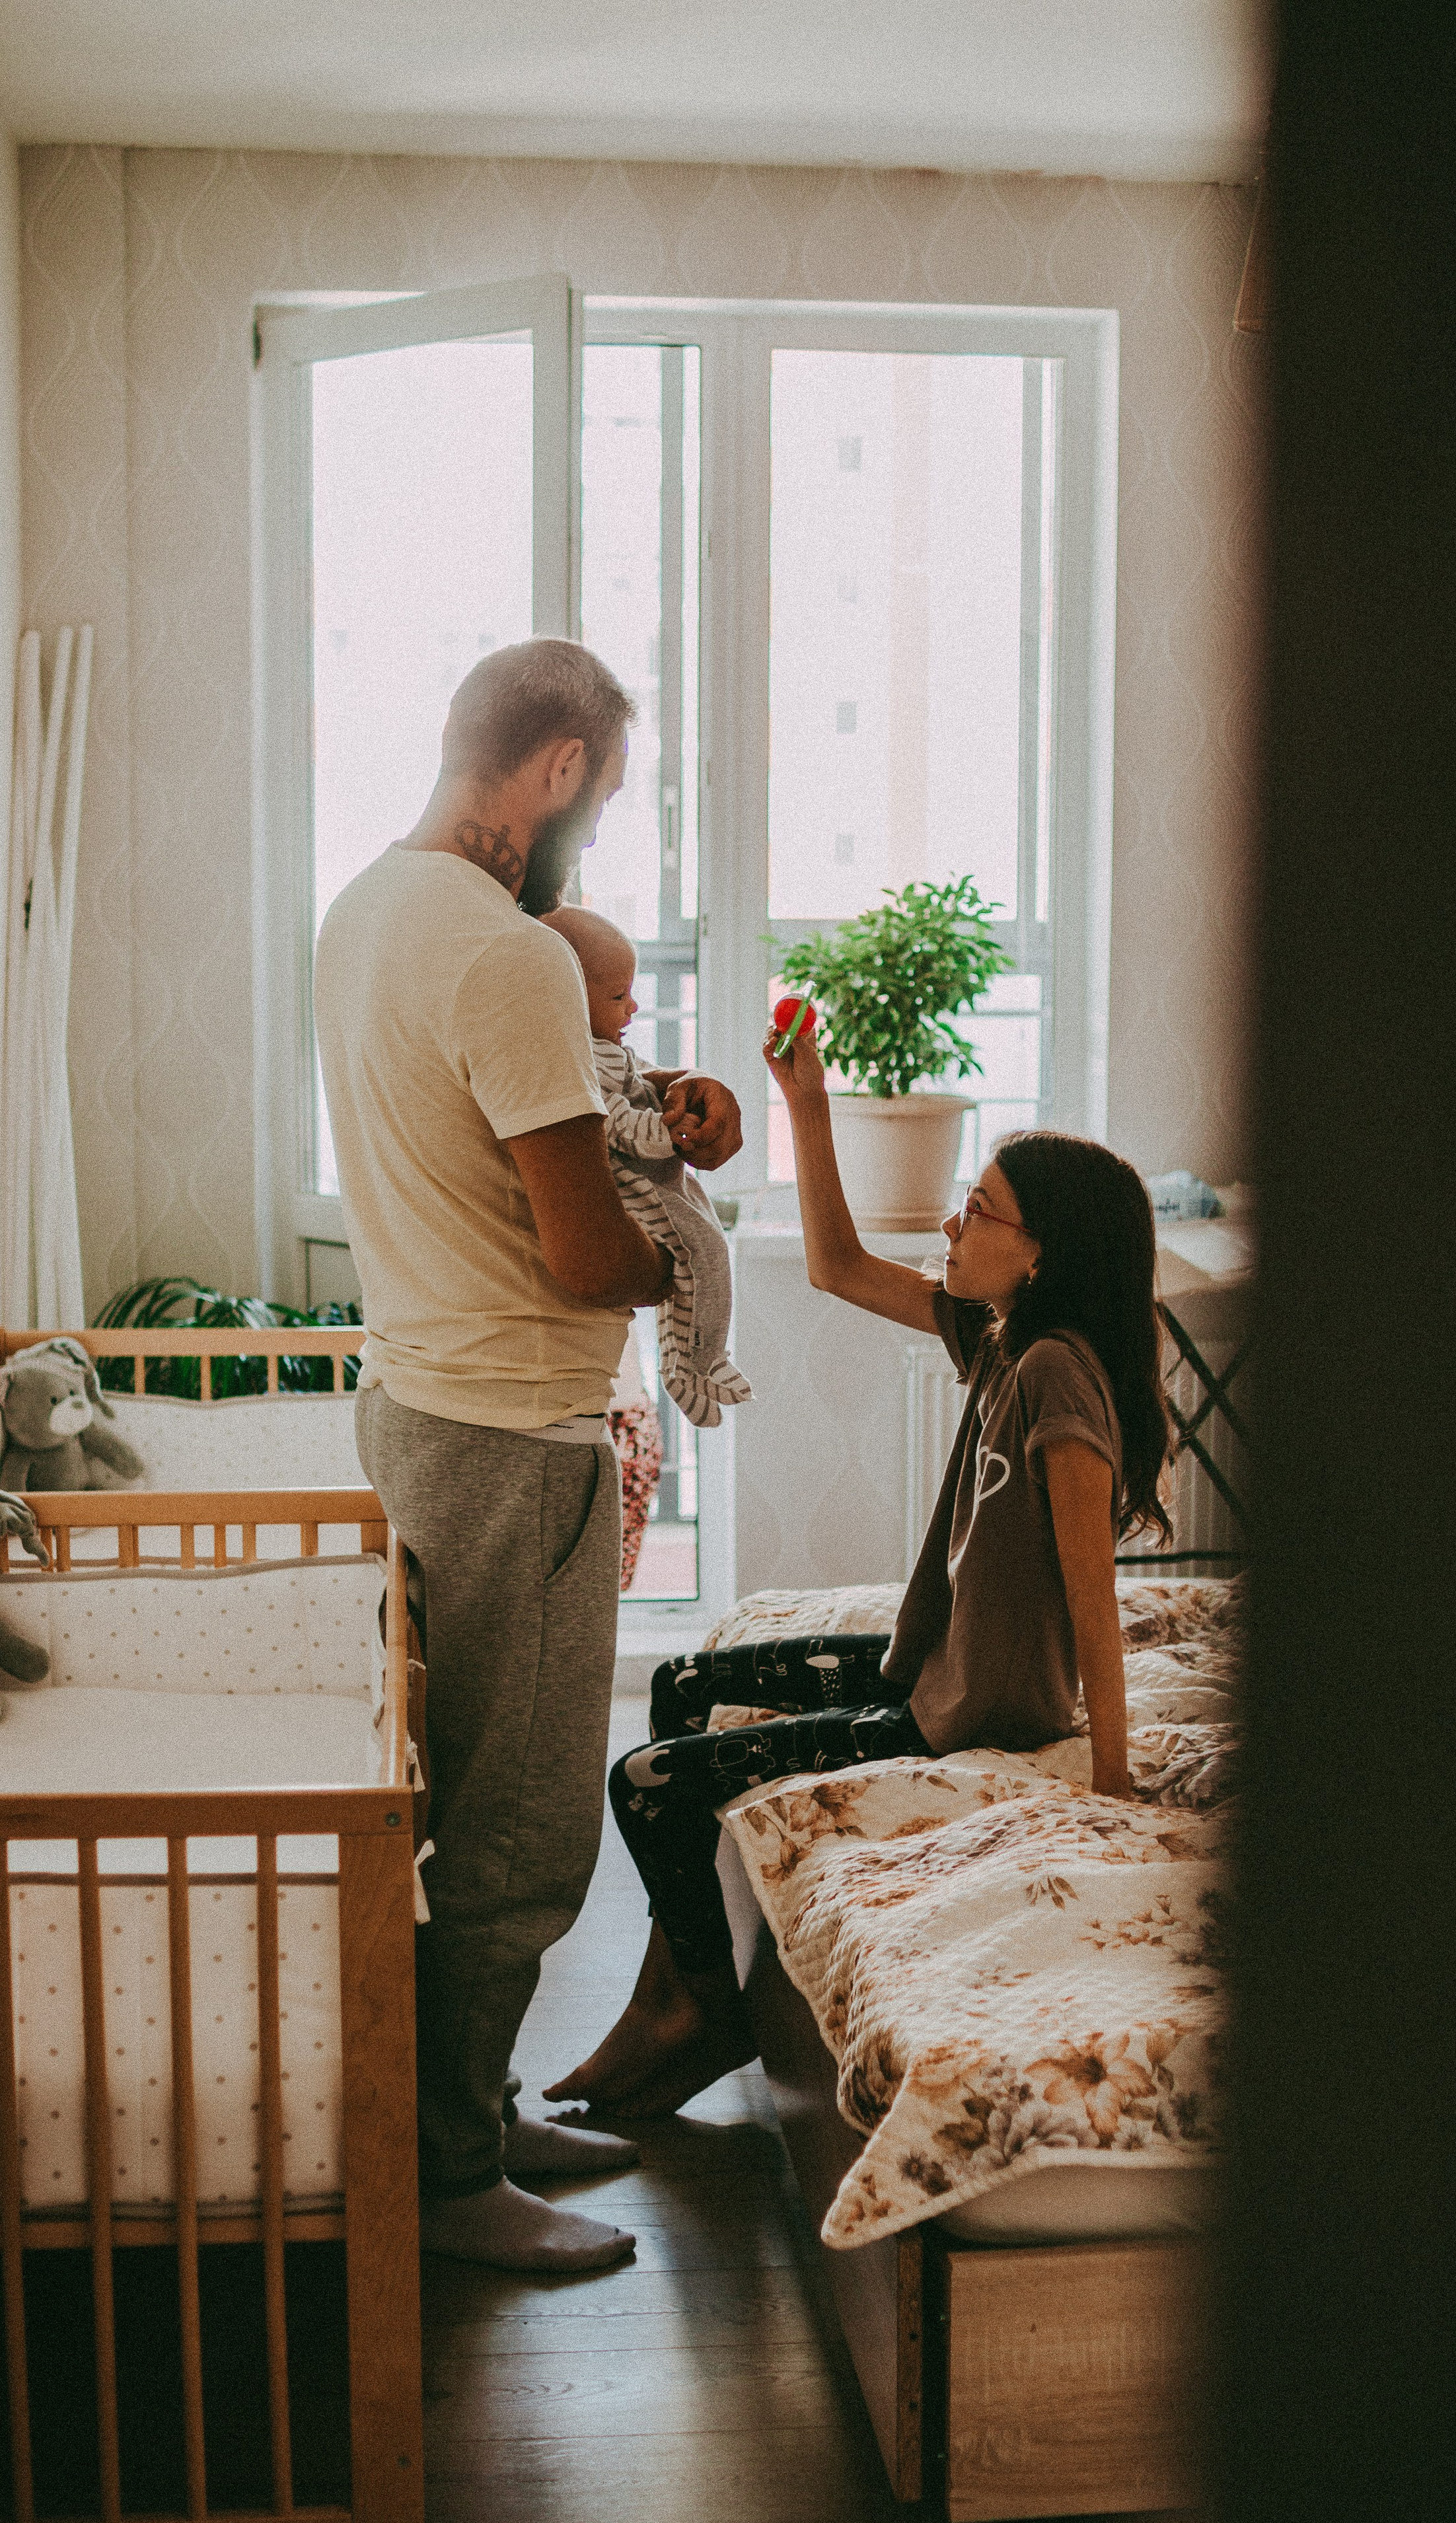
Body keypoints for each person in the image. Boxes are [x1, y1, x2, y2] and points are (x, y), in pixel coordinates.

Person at [313, 638, 745, 2271]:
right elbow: (580, 1254)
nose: (595, 833)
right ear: (555, 766)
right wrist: (680, 1244)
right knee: (514, 1838)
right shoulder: (505, 954)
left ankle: (472, 2112)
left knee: (458, 1796)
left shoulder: (362, 912)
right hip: (515, 1434)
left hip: (420, 1409)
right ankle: (443, 2185)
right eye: (606, 794)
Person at [545, 1017, 1173, 2120]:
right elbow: (834, 1266)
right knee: (685, 1687)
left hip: (971, 1711)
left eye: (979, 1211)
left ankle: (697, 2012)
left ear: (1043, 1253)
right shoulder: (1000, 1338)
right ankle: (673, 1997)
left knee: (645, 1783)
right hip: (923, 1665)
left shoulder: (1061, 1380)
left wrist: (1110, 1784)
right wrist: (806, 1103)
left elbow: (1093, 1601)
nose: (953, 1221)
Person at [539, 904, 752, 1426]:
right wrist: (670, 1135)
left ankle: (705, 1356)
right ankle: (689, 1367)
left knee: (708, 1248)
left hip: (662, 1174)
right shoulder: (574, 1058)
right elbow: (617, 1122)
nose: (632, 1007)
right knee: (700, 1252)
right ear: (567, 999)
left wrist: (674, 1092)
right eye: (618, 997)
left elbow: (636, 1084)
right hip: (638, 1182)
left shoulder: (606, 1047)